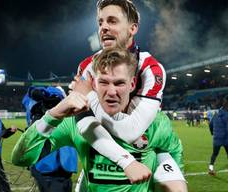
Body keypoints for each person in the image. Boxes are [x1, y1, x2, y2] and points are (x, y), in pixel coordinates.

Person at [12, 47, 184, 192]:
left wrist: (171, 177)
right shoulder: (74, 121)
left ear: (132, 84)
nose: (111, 91)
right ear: (93, 84)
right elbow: (21, 159)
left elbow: (174, 152)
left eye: (119, 83)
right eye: (104, 82)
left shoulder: (156, 122)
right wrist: (53, 115)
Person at [72, 0, 186, 191]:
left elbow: (131, 131)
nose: (104, 28)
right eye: (100, 22)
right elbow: (84, 124)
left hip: (148, 147)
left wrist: (90, 95)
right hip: (101, 148)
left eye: (112, 21)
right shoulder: (86, 67)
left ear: (132, 28)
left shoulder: (151, 68)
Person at [22, 86, 78, 192]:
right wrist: (43, 96)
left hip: (64, 168)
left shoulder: (70, 113)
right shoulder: (38, 112)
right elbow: (31, 94)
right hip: (48, 168)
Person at [208, 95, 228, 175]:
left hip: (217, 138)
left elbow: (210, 125)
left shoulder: (216, 114)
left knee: (214, 154)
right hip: (225, 138)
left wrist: (212, 133)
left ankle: (211, 168)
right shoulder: (226, 115)